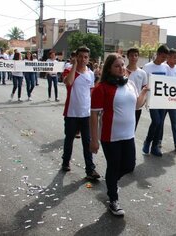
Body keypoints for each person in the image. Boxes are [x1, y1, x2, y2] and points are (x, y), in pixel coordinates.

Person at [90, 53, 148, 216]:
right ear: (108, 69)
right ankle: (113, 199)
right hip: (110, 136)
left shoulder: (129, 84)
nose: (122, 68)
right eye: (117, 65)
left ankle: (111, 184)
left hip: (128, 135)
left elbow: (136, 105)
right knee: (114, 166)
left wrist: (144, 92)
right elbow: (93, 115)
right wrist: (94, 140)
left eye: (122, 65)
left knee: (129, 166)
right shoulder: (101, 88)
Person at [60, 46, 100, 180]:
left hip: (86, 114)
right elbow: (69, 82)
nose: (83, 59)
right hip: (71, 113)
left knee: (87, 142)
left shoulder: (90, 73)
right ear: (76, 57)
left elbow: (91, 93)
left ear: (88, 59)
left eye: (86, 57)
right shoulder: (69, 70)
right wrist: (74, 66)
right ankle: (65, 162)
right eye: (80, 56)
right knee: (69, 139)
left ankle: (90, 170)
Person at [142, 45, 170, 157]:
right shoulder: (148, 67)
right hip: (152, 99)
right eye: (162, 56)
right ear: (158, 54)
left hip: (162, 99)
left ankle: (155, 146)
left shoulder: (165, 68)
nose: (164, 59)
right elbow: (143, 83)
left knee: (160, 123)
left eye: (165, 57)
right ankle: (148, 141)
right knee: (156, 121)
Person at [160, 48, 176, 151]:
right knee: (160, 122)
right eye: (175, 57)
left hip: (174, 100)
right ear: (169, 57)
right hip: (164, 100)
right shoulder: (163, 67)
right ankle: (158, 141)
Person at [125, 47, 148, 130]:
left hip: (136, 107)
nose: (134, 57)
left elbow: (145, 90)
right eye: (131, 55)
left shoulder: (142, 73)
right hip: (124, 105)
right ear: (128, 57)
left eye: (136, 55)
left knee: (132, 130)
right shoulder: (122, 71)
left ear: (138, 57)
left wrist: (142, 102)